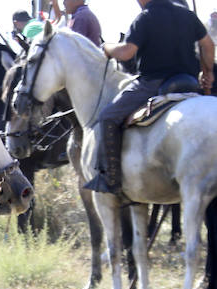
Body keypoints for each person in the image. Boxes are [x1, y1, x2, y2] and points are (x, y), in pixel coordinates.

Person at [86, 0, 213, 195]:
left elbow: (127, 52)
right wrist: (207, 72)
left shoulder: (145, 18)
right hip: (189, 83)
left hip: (153, 83)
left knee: (108, 116)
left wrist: (107, 48)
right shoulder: (186, 14)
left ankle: (111, 179)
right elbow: (208, 44)